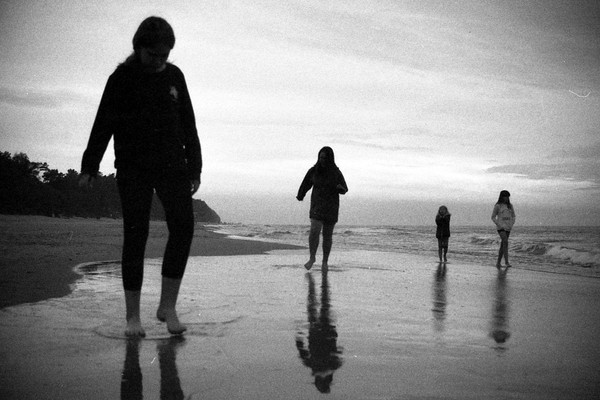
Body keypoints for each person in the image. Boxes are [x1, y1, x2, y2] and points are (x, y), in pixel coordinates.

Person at [79, 16, 202, 337]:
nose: (159, 61)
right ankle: (132, 317)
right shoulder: (121, 79)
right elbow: (103, 122)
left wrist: (195, 167)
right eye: (153, 54)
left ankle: (167, 307)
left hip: (173, 164)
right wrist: (90, 165)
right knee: (136, 234)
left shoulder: (175, 76)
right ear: (138, 48)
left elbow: (188, 122)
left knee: (183, 228)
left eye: (165, 55)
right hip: (133, 167)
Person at [296, 147, 348, 272]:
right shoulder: (314, 171)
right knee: (314, 231)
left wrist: (340, 188)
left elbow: (345, 188)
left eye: (325, 158)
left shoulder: (336, 172)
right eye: (320, 157)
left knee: (327, 235)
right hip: (317, 206)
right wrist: (301, 194)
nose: (322, 160)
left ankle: (325, 261)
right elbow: (305, 183)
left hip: (331, 207)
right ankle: (312, 257)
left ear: (330, 159)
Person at [491, 190, 516, 268]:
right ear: (501, 197)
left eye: (507, 197)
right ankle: (506, 262)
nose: (506, 198)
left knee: (503, 245)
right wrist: (498, 224)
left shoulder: (510, 206)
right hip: (501, 227)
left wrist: (512, 223)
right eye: (505, 196)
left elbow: (513, 216)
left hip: (508, 227)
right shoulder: (498, 206)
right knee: (505, 241)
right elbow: (493, 217)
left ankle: (498, 262)